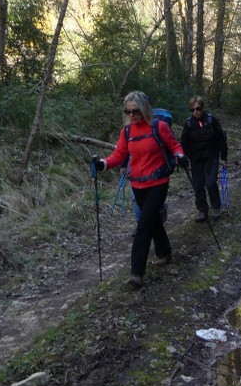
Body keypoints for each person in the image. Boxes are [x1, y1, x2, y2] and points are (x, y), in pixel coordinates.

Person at [93, 91, 188, 289]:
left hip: (158, 182)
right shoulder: (127, 131)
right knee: (152, 221)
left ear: (143, 109)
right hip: (137, 184)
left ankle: (136, 273)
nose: (131, 115)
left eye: (135, 111)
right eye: (127, 112)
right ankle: (165, 252)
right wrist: (102, 164)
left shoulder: (159, 127)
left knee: (143, 226)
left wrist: (180, 156)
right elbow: (119, 155)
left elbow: (174, 146)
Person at [180, 96, 228, 222]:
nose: (196, 111)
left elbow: (221, 139)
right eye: (192, 109)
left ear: (202, 107)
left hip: (211, 156)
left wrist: (224, 157)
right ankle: (202, 210)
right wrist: (182, 158)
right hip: (195, 159)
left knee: (210, 183)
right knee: (197, 186)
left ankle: (216, 207)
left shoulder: (211, 120)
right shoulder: (189, 123)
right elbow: (184, 142)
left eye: (198, 108)